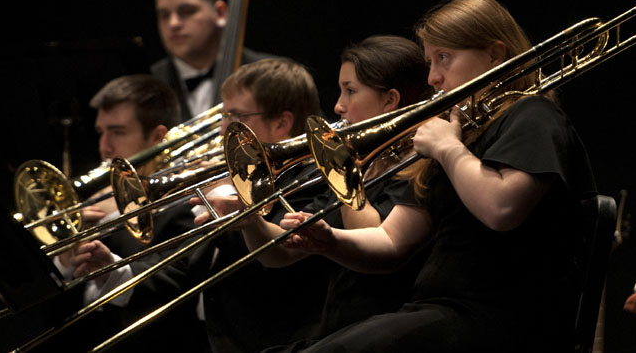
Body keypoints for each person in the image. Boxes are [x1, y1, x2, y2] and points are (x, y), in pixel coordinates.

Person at [273, 0, 597, 352]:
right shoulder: (458, 134)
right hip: (439, 314)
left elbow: (502, 209)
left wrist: (448, 148)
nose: (433, 77)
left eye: (444, 58)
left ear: (495, 54)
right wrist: (330, 242)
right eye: (429, 61)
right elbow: (391, 242)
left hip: (501, 321)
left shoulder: (531, 115)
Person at [196, 36, 433, 349]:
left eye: (350, 90)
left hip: (390, 331)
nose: (337, 105)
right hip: (341, 326)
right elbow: (281, 254)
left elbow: (377, 242)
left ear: (390, 101)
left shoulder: (417, 166)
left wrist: (346, 167)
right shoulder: (365, 165)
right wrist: (250, 219)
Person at [184, 57, 332, 353]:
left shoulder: (312, 177)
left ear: (281, 122)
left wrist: (229, 196)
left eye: (237, 117)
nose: (225, 130)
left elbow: (272, 262)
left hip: (279, 340)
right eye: (224, 117)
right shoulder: (235, 173)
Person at [55, 74, 209, 352]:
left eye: (118, 132)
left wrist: (113, 227)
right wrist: (65, 259)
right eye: (101, 132)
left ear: (158, 138)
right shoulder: (97, 199)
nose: (104, 147)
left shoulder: (185, 201)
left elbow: (175, 283)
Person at [151, 0, 274, 120]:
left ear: (220, 13)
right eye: (164, 15)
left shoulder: (273, 78)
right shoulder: (145, 87)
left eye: (187, 11)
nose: (173, 23)